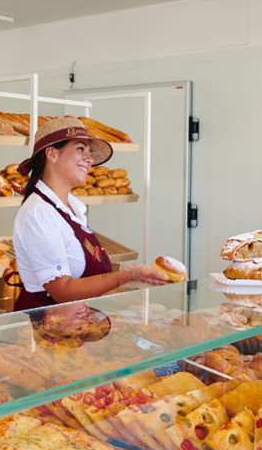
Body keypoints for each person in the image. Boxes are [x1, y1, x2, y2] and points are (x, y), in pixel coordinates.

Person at [11, 118, 168, 311]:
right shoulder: (39, 213)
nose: (90, 159)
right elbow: (62, 291)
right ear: (52, 154)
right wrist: (127, 275)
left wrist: (134, 303)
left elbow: (85, 284)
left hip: (75, 325)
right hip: (44, 330)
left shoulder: (74, 209)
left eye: (89, 152)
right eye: (80, 148)